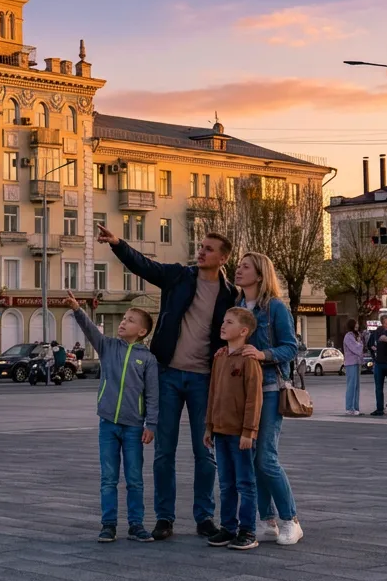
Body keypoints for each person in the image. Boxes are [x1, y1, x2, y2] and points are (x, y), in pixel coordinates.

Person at [98, 223, 237, 541]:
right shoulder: (178, 276)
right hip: (168, 375)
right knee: (164, 451)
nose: (201, 252)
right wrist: (118, 243)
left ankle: (204, 517)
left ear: (223, 258)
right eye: (201, 247)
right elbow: (145, 265)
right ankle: (164, 518)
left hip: (204, 379)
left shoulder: (231, 294)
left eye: (209, 249)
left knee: (206, 453)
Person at [68, 292, 158, 543]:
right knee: (108, 478)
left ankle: (136, 524)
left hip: (133, 427)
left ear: (141, 332)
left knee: (134, 479)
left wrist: (151, 424)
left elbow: (152, 395)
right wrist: (77, 309)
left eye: (130, 320)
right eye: (124, 319)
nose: (123, 322)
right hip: (107, 424)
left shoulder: (148, 359)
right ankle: (108, 524)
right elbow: (89, 330)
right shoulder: (107, 347)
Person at [226, 252, 301, 545]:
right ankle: (266, 520)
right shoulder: (238, 307)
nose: (238, 270)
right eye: (238, 266)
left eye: (245, 267)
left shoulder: (275, 308)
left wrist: (263, 354)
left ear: (260, 274)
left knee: (266, 458)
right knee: (251, 459)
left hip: (270, 389)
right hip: (243, 393)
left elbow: (291, 348)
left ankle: (290, 520)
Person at [203, 307, 263, 551]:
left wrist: (249, 431)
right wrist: (209, 427)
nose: (223, 325)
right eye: (223, 321)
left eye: (229, 322)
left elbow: (253, 399)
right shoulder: (219, 358)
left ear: (244, 330)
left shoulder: (249, 360)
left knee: (245, 483)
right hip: (220, 431)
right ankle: (228, 527)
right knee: (225, 483)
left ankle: (247, 530)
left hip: (241, 434)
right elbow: (213, 394)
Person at [341, 319, 363, 415]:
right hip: (350, 363)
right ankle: (350, 407)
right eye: (356, 323)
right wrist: (360, 344)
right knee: (351, 385)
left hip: (357, 362)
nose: (357, 325)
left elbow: (360, 345)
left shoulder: (356, 335)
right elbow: (355, 348)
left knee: (356, 386)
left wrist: (359, 343)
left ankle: (356, 407)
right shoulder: (348, 336)